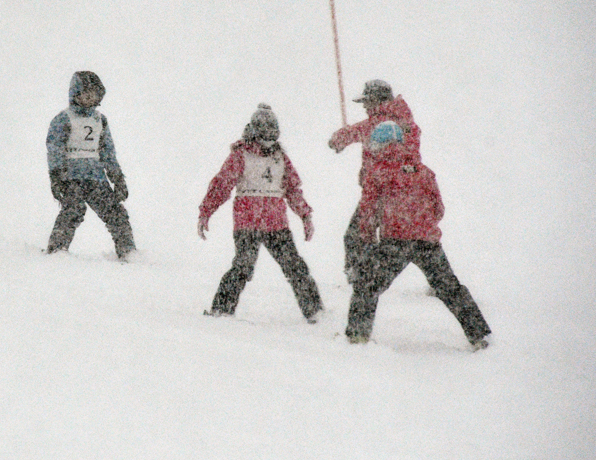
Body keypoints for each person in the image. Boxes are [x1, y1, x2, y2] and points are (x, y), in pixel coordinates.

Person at [344, 121, 491, 349]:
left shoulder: (378, 173)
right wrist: (421, 224)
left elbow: (367, 212)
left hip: (395, 241)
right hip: (428, 242)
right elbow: (438, 208)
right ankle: (480, 335)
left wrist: (368, 239)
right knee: (450, 288)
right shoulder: (424, 172)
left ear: (380, 145)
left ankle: (358, 336)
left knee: (367, 284)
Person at [199, 104, 323, 322]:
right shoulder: (241, 155)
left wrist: (305, 215)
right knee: (243, 267)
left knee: (294, 266)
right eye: (264, 136)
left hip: (276, 223)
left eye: (272, 136)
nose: (269, 141)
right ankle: (221, 309)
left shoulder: (280, 158)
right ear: (255, 133)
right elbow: (222, 185)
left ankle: (315, 310)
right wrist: (206, 211)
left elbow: (292, 188)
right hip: (247, 222)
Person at [328, 79, 421, 282]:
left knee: (357, 235)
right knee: (416, 240)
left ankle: (360, 275)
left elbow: (350, 134)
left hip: (379, 191)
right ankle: (440, 279)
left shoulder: (380, 123)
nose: (364, 106)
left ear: (377, 101)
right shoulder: (408, 123)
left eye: (366, 101)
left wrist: (339, 139)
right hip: (408, 191)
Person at [45, 71, 135, 260]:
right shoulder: (64, 119)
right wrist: (56, 177)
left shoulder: (99, 120)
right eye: (85, 92)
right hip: (71, 177)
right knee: (73, 210)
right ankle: (57, 250)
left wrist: (117, 178)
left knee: (115, 212)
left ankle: (128, 251)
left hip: (96, 178)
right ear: (75, 94)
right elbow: (55, 148)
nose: (90, 97)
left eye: (94, 93)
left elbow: (107, 151)